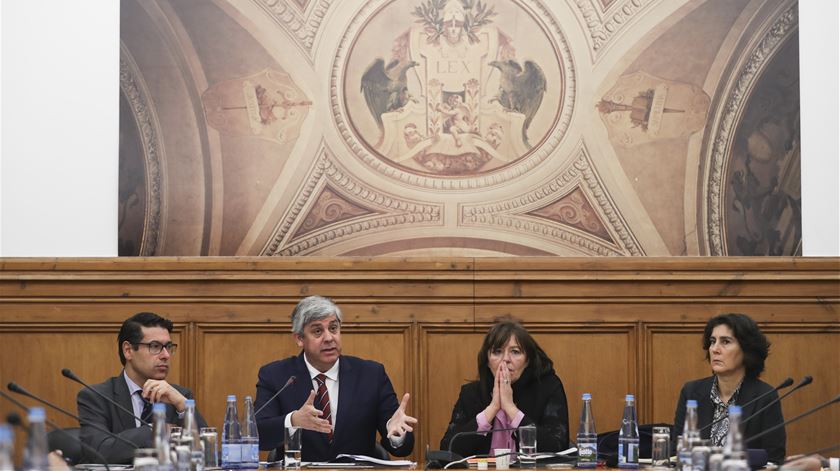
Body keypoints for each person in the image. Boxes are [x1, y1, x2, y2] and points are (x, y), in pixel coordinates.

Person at [255, 295, 416, 461]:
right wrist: (293, 420)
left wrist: (397, 433)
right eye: (317, 331)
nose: (329, 338)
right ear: (299, 339)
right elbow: (258, 434)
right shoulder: (276, 376)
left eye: (333, 328)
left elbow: (403, 450)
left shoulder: (371, 375)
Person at [76, 312, 207, 464]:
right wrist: (155, 431)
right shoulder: (96, 397)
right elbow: (98, 451)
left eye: (168, 347)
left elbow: (205, 451)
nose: (166, 355)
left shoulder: (179, 396)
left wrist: (183, 406)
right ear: (128, 350)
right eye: (155, 346)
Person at [440, 319, 569, 457]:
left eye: (515, 351)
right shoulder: (470, 394)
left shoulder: (548, 388)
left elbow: (559, 447)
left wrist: (511, 409)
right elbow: (448, 450)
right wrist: (492, 409)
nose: (506, 359)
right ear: (487, 361)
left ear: (528, 360)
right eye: (497, 351)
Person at [672, 313, 785, 463]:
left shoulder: (764, 397)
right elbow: (677, 450)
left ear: (746, 350)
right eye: (712, 341)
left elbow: (774, 459)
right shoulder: (691, 392)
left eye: (725, 342)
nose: (715, 349)